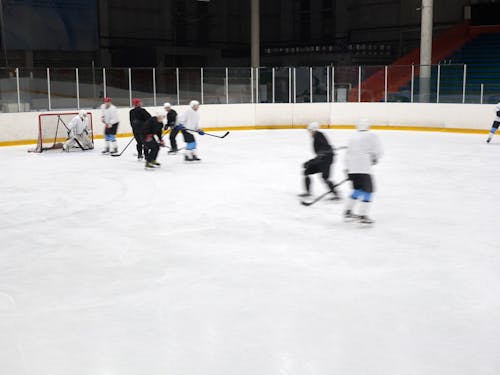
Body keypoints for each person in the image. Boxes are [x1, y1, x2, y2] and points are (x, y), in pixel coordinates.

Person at [344, 118, 383, 224]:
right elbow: (378, 151)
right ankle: (363, 215)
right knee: (368, 191)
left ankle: (348, 211)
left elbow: (347, 154)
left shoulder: (352, 137)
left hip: (352, 169)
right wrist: (375, 158)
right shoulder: (372, 136)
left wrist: (347, 169)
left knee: (358, 190)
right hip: (364, 169)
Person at [299, 121, 340, 200]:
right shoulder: (318, 136)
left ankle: (336, 194)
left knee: (325, 177)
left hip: (326, 160)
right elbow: (322, 152)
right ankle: (308, 192)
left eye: (309, 131)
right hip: (324, 159)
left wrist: (309, 162)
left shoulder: (318, 137)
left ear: (313, 130)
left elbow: (321, 155)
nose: (309, 132)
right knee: (307, 172)